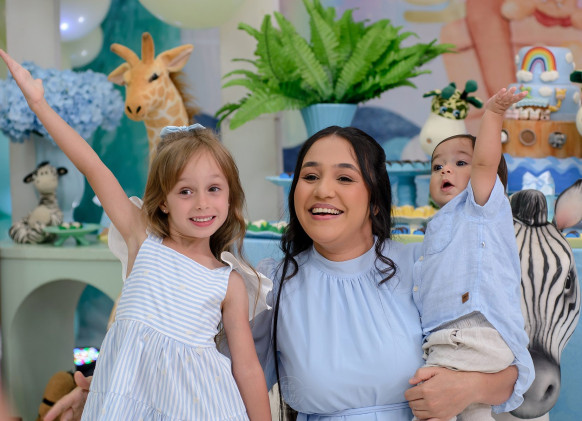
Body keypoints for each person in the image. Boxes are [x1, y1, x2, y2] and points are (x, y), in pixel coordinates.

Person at [43, 124, 524, 421]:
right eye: (309, 176)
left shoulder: (420, 268)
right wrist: (104, 388)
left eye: (344, 177)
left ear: (375, 198)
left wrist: (468, 388)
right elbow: (196, 363)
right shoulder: (275, 282)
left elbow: (508, 370)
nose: (322, 191)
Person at [0, 50, 271, 421]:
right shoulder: (142, 238)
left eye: (214, 189)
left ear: (229, 197)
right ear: (163, 202)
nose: (202, 203)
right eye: (185, 191)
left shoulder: (228, 282)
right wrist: (39, 104)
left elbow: (248, 368)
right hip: (126, 405)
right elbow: (91, 164)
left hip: (200, 408)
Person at [413, 87, 534, 420]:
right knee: (474, 413)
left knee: (431, 410)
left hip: (472, 336)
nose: (445, 170)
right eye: (437, 166)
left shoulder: (479, 208)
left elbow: (485, 162)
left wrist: (493, 114)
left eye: (460, 162)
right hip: (448, 340)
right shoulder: (437, 225)